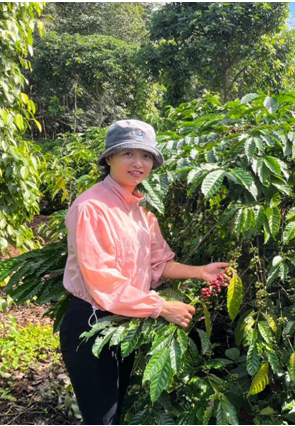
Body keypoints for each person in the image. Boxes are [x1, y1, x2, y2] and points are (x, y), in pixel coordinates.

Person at [60, 119, 229, 425]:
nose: (138, 163)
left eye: (146, 156)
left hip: (126, 321)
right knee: (101, 419)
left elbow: (159, 263)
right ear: (109, 157)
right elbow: (102, 282)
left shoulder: (141, 210)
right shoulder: (91, 207)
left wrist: (200, 272)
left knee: (116, 411)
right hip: (91, 320)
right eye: (128, 154)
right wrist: (161, 306)